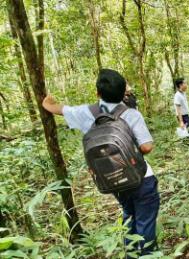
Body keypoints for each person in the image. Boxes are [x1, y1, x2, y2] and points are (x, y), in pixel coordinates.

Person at [42, 69, 160, 256]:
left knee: (129, 216)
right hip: (141, 178)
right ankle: (147, 254)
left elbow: (59, 109)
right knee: (145, 221)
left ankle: (130, 254)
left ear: (97, 93)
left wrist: (47, 102)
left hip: (112, 180)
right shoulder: (131, 114)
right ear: (124, 94)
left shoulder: (85, 113)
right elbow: (147, 147)